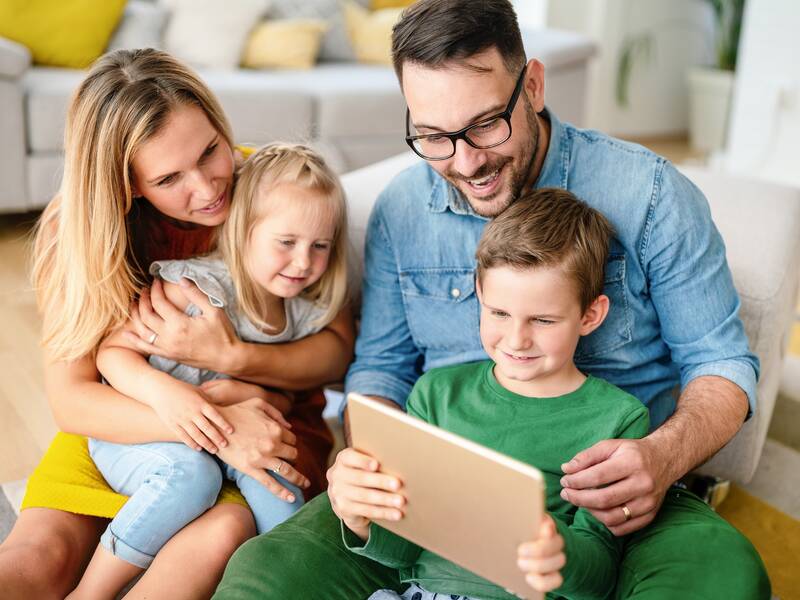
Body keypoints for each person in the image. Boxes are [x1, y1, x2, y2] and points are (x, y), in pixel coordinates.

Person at [213, 1, 769, 598]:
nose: (466, 161)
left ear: (531, 84)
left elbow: (721, 364)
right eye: (432, 135)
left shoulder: (652, 195)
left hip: (622, 505)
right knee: (263, 577)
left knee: (724, 580)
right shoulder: (404, 209)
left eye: (483, 125)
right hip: (433, 495)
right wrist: (366, 468)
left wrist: (660, 457)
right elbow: (382, 370)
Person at [0, 49, 353, 600]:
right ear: (128, 186)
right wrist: (212, 423)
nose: (209, 187)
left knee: (218, 536)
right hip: (133, 420)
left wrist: (236, 359)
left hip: (266, 415)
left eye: (211, 150)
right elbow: (73, 400)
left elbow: (336, 348)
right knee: (41, 555)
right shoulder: (79, 232)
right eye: (169, 178)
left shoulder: (268, 187)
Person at [337, 188, 656, 600]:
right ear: (479, 294)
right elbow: (403, 550)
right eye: (499, 313)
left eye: (542, 320)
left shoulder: (617, 418)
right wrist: (360, 518)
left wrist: (560, 553)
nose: (517, 339)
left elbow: (598, 575)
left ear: (590, 316)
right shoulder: (437, 395)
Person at [66, 143, 349, 600]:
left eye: (320, 246)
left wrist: (249, 393)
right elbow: (112, 355)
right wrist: (168, 395)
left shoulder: (301, 310)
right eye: (286, 242)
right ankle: (91, 592)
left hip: (223, 435)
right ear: (244, 231)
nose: (303, 262)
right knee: (192, 475)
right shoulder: (195, 290)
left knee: (277, 480)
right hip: (142, 433)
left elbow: (279, 398)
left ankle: (294, 580)